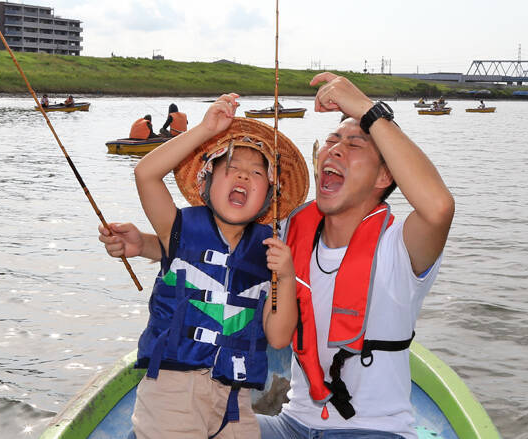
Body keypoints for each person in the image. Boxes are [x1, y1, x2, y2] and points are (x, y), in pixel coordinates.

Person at [102, 73, 454, 439]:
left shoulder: (399, 245)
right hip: (292, 425)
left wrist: (366, 109)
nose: (335, 149)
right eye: (332, 140)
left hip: (373, 430)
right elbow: (223, 253)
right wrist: (144, 244)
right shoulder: (287, 233)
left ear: (385, 175)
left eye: (354, 144)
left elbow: (439, 207)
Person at [101, 94, 309, 439]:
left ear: (269, 198)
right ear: (205, 183)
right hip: (172, 394)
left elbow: (278, 335)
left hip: (236, 402)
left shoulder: (270, 253)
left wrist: (285, 277)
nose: (244, 176)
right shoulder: (178, 227)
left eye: (257, 173)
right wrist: (205, 128)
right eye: (231, 168)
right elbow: (146, 174)